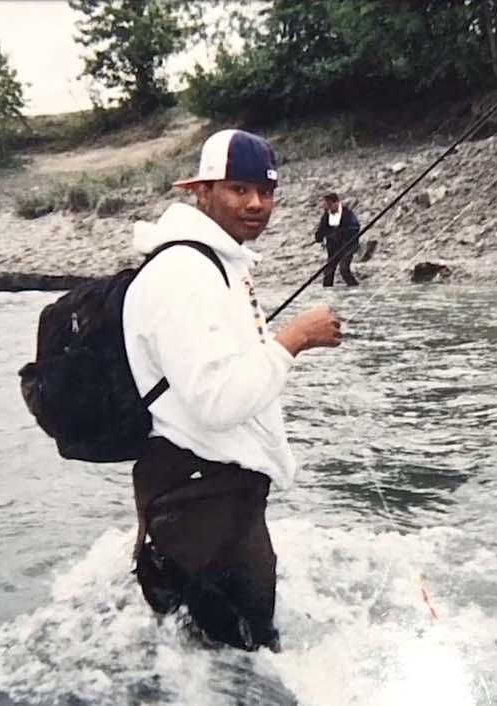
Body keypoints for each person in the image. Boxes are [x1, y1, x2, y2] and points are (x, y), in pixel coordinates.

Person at [121, 128, 343, 652]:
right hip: (202, 500)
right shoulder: (183, 273)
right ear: (201, 191)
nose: (256, 204)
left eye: (265, 192)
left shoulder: (214, 264)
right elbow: (217, 401)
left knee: (212, 661)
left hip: (209, 494)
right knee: (243, 665)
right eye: (238, 189)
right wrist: (295, 339)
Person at [313, 192, 361, 287]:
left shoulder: (348, 214)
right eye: (327, 205)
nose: (328, 208)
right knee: (328, 271)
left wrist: (339, 234)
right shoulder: (326, 216)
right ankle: (327, 293)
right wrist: (319, 236)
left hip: (347, 246)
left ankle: (355, 288)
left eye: (330, 205)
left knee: (344, 269)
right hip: (333, 247)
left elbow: (355, 228)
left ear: (336, 203)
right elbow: (322, 229)